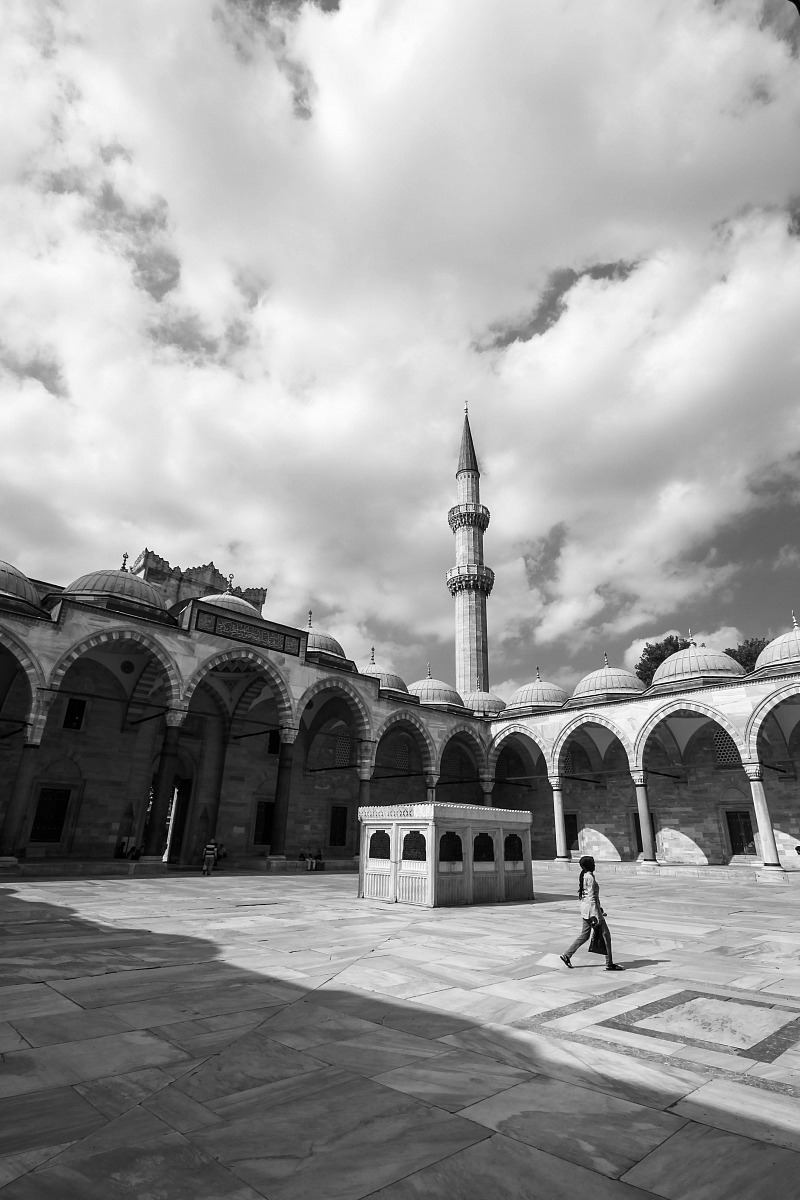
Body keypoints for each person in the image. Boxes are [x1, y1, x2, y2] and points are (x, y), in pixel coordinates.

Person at [560, 855, 623, 972]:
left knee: (584, 935)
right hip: (592, 912)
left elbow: (588, 897)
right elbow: (592, 897)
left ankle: (567, 955)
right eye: (593, 863)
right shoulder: (590, 877)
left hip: (585, 909)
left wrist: (599, 908)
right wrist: (597, 915)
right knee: (606, 936)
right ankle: (609, 963)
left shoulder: (583, 875)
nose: (595, 865)